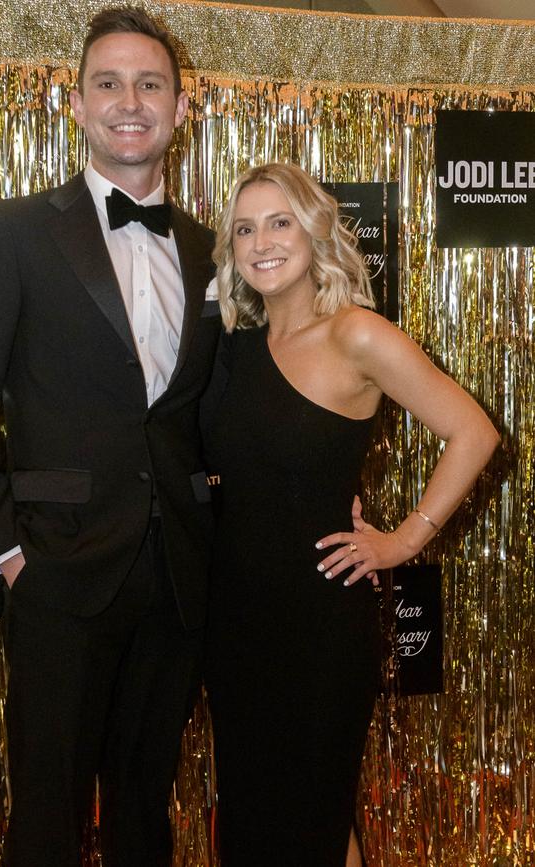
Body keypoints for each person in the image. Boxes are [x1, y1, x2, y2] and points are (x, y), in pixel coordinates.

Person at [0, 8, 221, 866]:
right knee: (47, 819)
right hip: (56, 571)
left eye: (150, 83)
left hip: (176, 580)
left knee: (144, 812)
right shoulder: (14, 232)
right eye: (109, 83)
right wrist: (6, 552)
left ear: (179, 103)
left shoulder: (211, 250)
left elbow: (211, 412)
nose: (130, 101)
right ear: (78, 103)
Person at [202, 162, 499, 866]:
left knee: (313, 816)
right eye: (245, 228)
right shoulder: (234, 344)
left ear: (313, 233)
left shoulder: (355, 334)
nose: (262, 241)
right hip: (234, 623)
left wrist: (401, 540)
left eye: (280, 222)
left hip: (321, 627)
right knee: (251, 819)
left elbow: (474, 431)